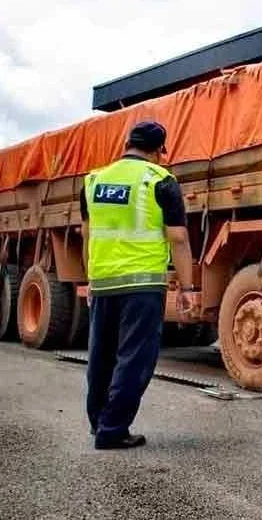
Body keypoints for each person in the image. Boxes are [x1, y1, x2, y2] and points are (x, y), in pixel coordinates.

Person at [79, 120, 196, 450]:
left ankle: (98, 422)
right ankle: (113, 430)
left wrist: (91, 280)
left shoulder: (93, 180)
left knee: (101, 357)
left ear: (126, 144)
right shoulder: (161, 181)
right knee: (134, 359)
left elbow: (86, 235)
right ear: (159, 151)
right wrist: (187, 289)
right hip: (142, 285)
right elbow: (178, 238)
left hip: (103, 282)